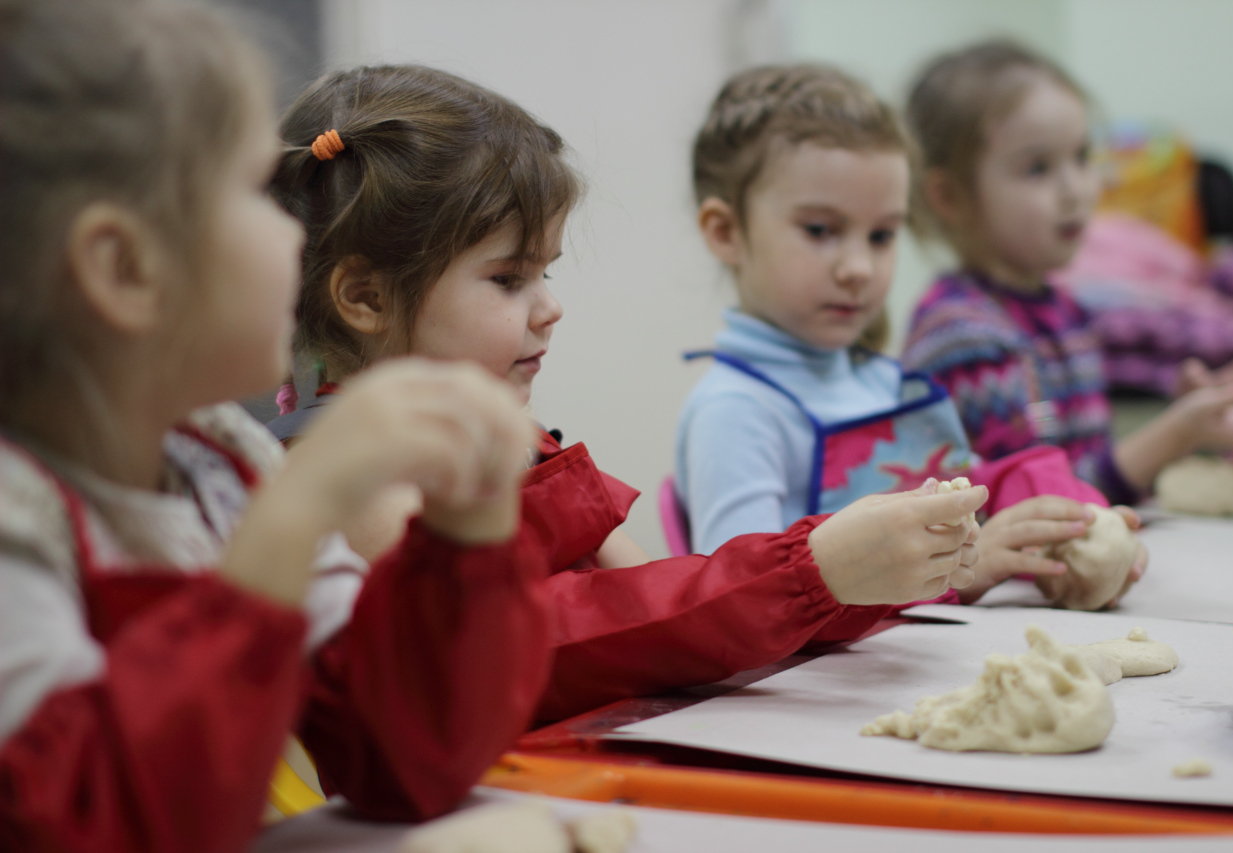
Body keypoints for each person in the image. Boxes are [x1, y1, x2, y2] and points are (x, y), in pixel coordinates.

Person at [268, 63, 988, 725]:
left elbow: (666, 599)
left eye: (545, 272)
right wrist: (815, 574)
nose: (550, 307)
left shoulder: (516, 436)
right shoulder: (353, 484)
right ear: (364, 295)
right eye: (509, 279)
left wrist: (851, 582)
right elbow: (538, 641)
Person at [0, 1, 555, 849]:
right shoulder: (16, 518)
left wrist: (466, 541)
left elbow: (406, 757)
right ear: (123, 268)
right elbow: (94, 820)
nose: (300, 234)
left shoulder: (225, 461)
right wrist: (291, 521)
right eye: (256, 191)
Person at [674, 63, 1145, 605]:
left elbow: (983, 488)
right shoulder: (737, 412)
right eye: (821, 231)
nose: (858, 267)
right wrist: (964, 570)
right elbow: (743, 604)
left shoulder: (885, 381)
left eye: (881, 235)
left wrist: (1072, 520)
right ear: (725, 232)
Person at [901, 39, 1233, 503]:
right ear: (949, 196)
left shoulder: (1064, 308)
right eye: (1038, 168)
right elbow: (1033, 506)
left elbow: (1088, 466)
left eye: (1081, 158)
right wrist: (1174, 434)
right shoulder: (964, 339)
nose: (1075, 190)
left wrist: (1201, 428)